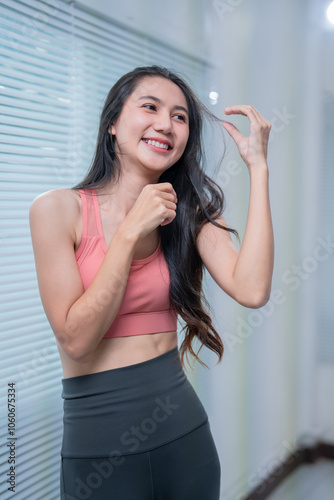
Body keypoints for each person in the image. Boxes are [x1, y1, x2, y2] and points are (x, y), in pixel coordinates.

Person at [29, 65, 274, 500]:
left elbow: (252, 289)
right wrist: (128, 231)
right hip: (98, 448)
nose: (166, 123)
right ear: (112, 123)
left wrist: (258, 168)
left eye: (180, 117)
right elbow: (77, 340)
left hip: (185, 435)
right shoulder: (57, 211)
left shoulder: (187, 215)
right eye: (150, 107)